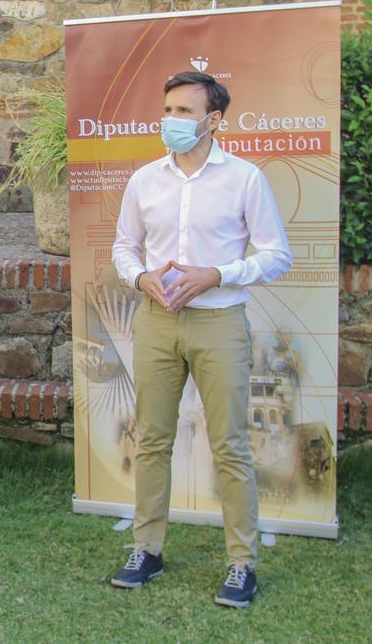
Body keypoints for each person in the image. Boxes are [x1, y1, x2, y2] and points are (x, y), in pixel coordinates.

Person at [110, 72, 292, 607]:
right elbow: (125, 247)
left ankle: (241, 563)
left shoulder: (244, 179)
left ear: (214, 121)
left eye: (184, 112)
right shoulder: (145, 179)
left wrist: (217, 274)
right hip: (156, 320)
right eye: (168, 109)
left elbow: (276, 255)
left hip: (220, 323)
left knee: (230, 445)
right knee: (152, 439)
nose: (171, 120)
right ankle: (148, 549)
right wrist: (140, 277)